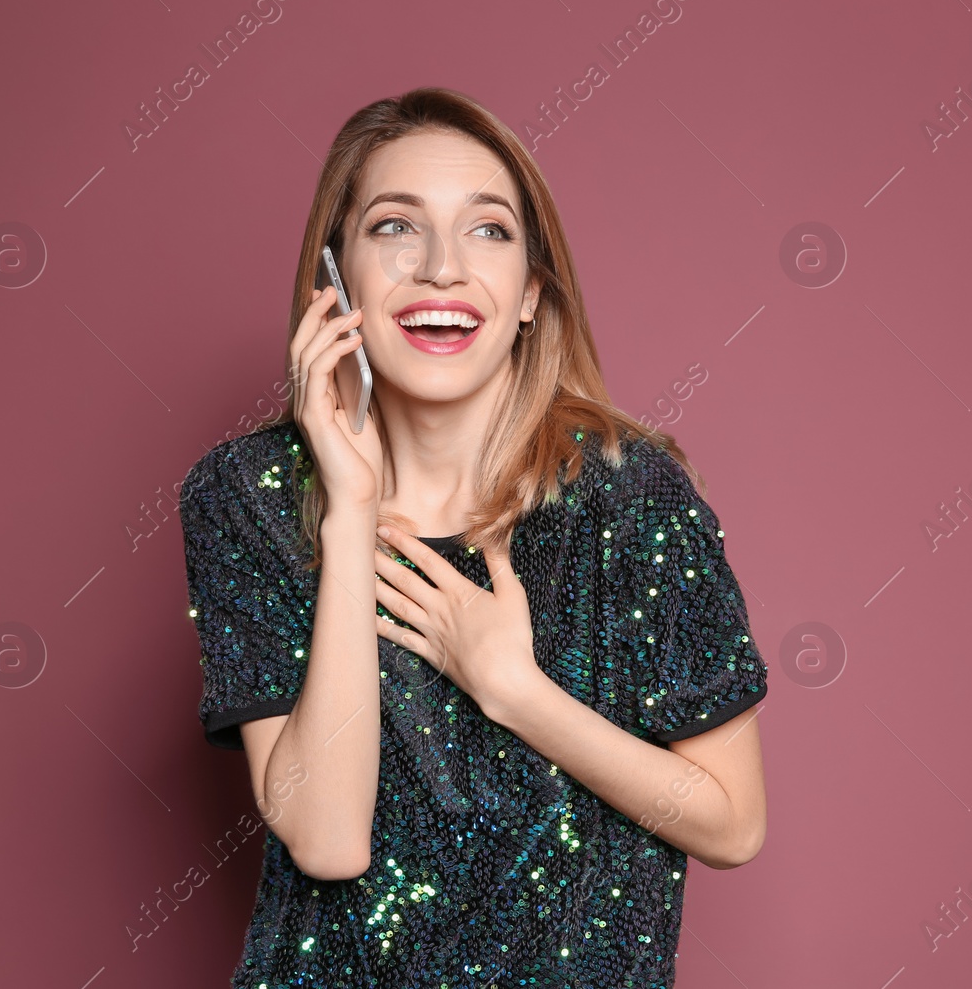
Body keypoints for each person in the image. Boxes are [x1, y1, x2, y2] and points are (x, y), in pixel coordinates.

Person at [178, 86, 768, 987]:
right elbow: (328, 838)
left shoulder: (630, 497)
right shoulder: (249, 495)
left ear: (531, 291)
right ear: (335, 280)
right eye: (394, 229)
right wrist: (350, 512)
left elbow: (733, 822)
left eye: (487, 230)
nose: (442, 270)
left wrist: (515, 690)